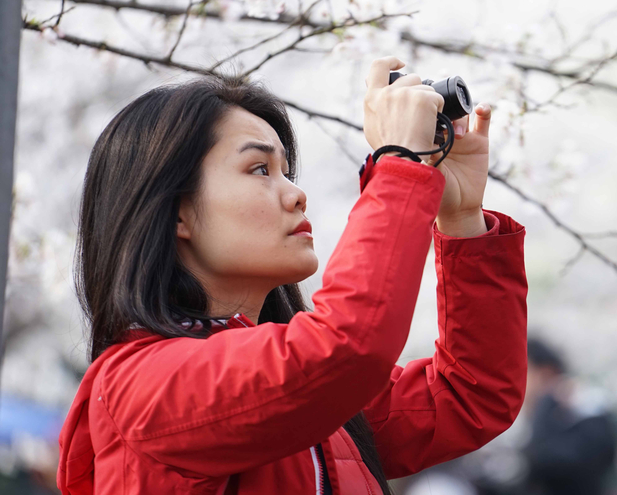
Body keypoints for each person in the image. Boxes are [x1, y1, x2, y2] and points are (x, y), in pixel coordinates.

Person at [55, 56, 529, 494]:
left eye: (288, 171)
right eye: (260, 169)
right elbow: (345, 347)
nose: (297, 195)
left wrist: (463, 219)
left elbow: (468, 395)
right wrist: (400, 165)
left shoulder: (312, 392)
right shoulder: (145, 385)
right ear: (176, 213)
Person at [519, 338, 617, 495]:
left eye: (520, 370)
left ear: (544, 373)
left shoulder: (585, 406)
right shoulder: (527, 418)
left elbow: (543, 458)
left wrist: (546, 402)